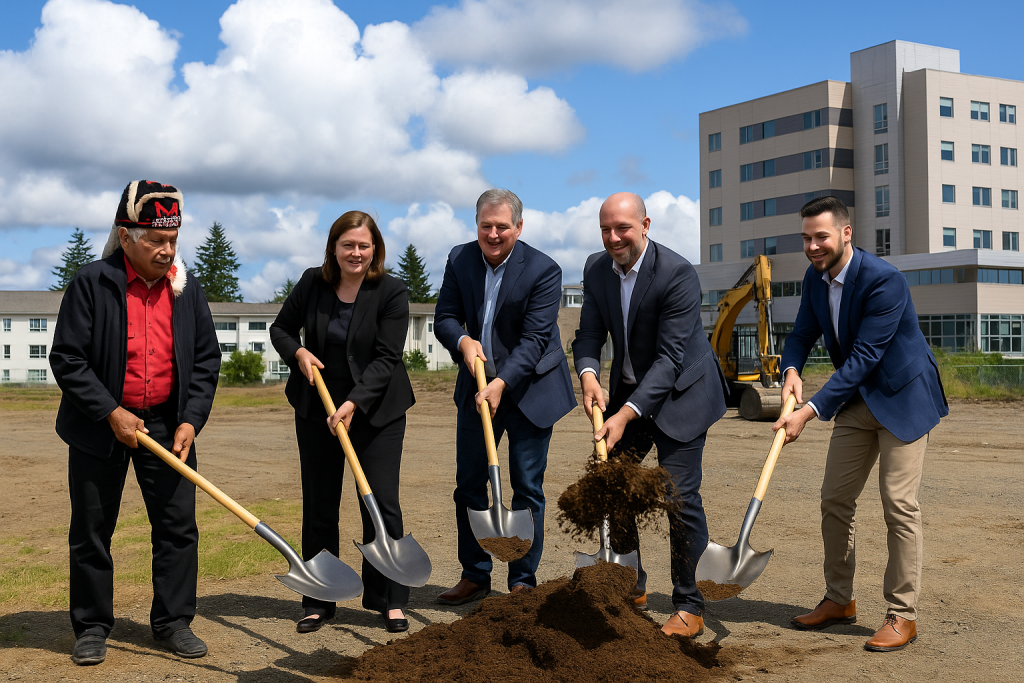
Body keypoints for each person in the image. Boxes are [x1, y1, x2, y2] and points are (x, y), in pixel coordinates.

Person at [50, 180, 221, 666]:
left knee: (176, 528)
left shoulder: (187, 291)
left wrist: (192, 419)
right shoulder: (92, 282)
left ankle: (173, 621)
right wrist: (110, 412)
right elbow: (67, 359)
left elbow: (207, 359)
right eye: (155, 241)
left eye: (173, 240)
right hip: (97, 427)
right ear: (125, 236)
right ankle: (91, 626)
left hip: (168, 427)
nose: (167, 251)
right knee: (92, 529)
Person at [774, 196, 947, 652]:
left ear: (846, 234)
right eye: (807, 238)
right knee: (835, 498)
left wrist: (808, 411)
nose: (813, 246)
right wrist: (791, 371)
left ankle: (902, 614)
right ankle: (838, 599)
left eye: (822, 237)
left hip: (902, 398)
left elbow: (865, 358)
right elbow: (800, 336)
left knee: (898, 503)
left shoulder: (883, 280)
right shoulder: (815, 279)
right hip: (857, 401)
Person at [572, 192, 728, 638]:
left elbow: (670, 358)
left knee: (678, 497)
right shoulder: (596, 269)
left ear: (645, 224)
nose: (613, 237)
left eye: (623, 227)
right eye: (605, 229)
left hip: (682, 393)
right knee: (612, 484)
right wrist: (588, 375)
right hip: (628, 391)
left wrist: (625, 414)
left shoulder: (676, 272)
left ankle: (689, 605)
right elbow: (587, 335)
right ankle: (629, 584)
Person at [270, 211, 415, 634]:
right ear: (334, 247)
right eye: (348, 244)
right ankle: (319, 597)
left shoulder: (391, 290)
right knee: (319, 503)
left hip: (375, 411)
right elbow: (281, 329)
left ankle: (389, 598)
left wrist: (353, 403)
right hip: (317, 410)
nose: (356, 253)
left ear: (375, 250)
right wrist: (297, 354)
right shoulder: (313, 281)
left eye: (364, 246)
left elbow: (388, 358)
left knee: (381, 502)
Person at [433, 189, 576, 604]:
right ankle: (475, 574)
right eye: (485, 226)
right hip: (477, 389)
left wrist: (502, 382)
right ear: (476, 224)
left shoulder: (544, 269)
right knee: (469, 485)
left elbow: (535, 340)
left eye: (502, 227)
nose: (493, 235)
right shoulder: (459, 258)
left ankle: (522, 581)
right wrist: (461, 341)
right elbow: (444, 316)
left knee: (527, 489)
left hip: (530, 390)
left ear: (519, 227)